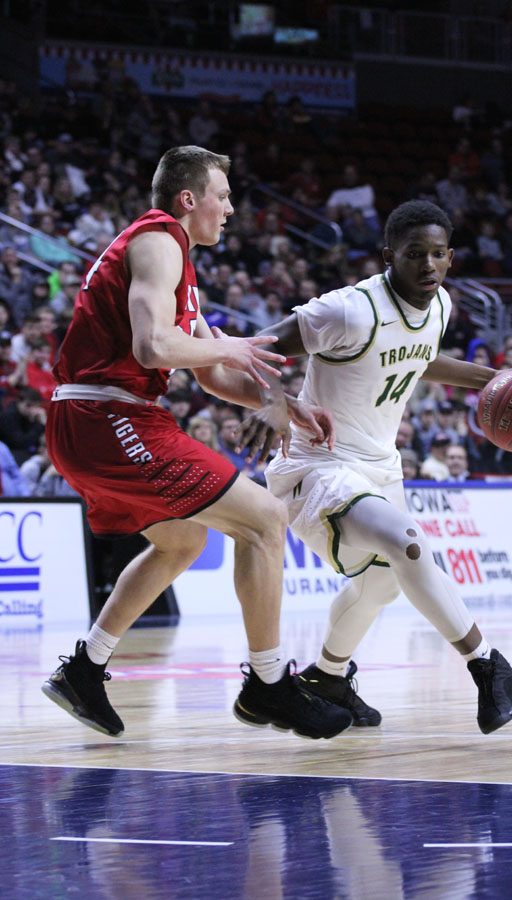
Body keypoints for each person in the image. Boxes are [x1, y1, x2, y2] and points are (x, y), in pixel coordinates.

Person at [41, 146, 352, 742]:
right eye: (224, 196)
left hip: (97, 417)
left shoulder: (179, 264)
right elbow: (154, 347)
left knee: (181, 540)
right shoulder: (158, 240)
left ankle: (86, 668)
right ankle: (267, 683)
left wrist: (289, 407)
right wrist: (229, 346)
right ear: (189, 199)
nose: (231, 209)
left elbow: (212, 375)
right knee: (264, 518)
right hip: (106, 413)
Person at [239, 200, 512, 734]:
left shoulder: (439, 306)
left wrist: (493, 378)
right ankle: (487, 665)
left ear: (450, 258)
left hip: (380, 466)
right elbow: (263, 345)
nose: (428, 265)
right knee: (408, 542)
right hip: (317, 463)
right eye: (415, 254)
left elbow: (418, 358)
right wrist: (272, 401)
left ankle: (327, 676)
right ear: (389, 254)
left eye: (438, 254)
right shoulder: (351, 309)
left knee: (382, 585)